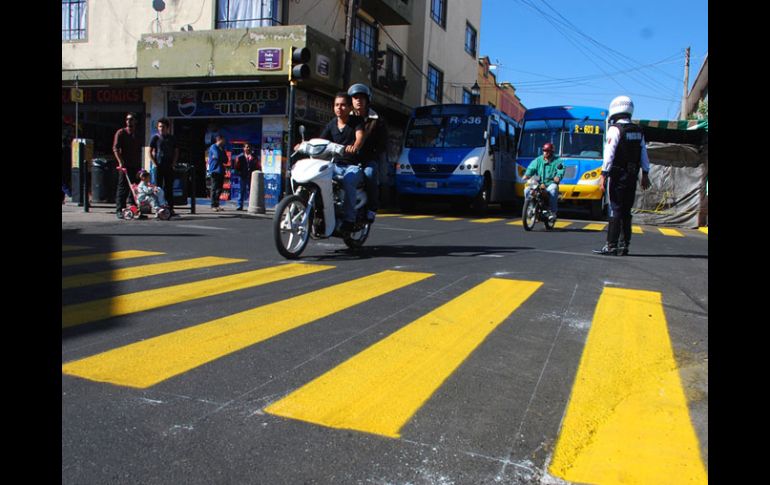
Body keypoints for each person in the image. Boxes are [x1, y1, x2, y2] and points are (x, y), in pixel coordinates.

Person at [593, 95, 651, 256]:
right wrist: (645, 174)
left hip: (617, 175)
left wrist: (603, 175)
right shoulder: (638, 131)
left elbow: (609, 154)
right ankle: (624, 245)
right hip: (632, 176)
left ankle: (611, 245)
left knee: (615, 209)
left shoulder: (615, 129)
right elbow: (644, 155)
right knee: (626, 211)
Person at [317, 92, 364, 232]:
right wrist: (304, 145)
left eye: (343, 105)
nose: (339, 108)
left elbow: (360, 137)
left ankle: (349, 220)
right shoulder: (332, 124)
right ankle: (321, 214)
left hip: (352, 166)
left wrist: (355, 146)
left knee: (349, 180)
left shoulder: (356, 122)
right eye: (337, 105)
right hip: (334, 165)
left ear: (350, 107)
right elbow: (321, 141)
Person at [348, 83, 387, 222]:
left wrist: (372, 153)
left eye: (362, 97)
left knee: (370, 173)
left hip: (368, 158)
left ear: (367, 100)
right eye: (355, 97)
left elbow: (382, 143)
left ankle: (372, 207)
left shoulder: (376, 119)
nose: (358, 100)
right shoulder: (347, 117)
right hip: (348, 158)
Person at [522, 142, 564, 222]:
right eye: (544, 150)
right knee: (527, 190)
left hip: (550, 184)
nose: (545, 152)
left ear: (551, 152)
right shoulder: (538, 160)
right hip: (539, 183)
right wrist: (527, 175)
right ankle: (530, 207)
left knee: (553, 189)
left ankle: (552, 212)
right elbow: (531, 168)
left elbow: (560, 170)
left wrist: (558, 177)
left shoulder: (558, 161)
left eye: (547, 150)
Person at [113, 112, 143, 219]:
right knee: (123, 188)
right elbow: (115, 148)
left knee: (135, 188)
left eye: (131, 119)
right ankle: (120, 209)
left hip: (136, 164)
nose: (128, 121)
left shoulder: (138, 134)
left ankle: (134, 208)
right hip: (125, 165)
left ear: (135, 121)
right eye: (127, 119)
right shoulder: (121, 133)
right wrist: (120, 161)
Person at [149, 118, 179, 217]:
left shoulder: (172, 138)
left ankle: (170, 208)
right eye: (159, 126)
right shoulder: (155, 138)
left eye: (163, 127)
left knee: (169, 188)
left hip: (169, 166)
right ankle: (158, 209)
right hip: (159, 166)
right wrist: (155, 163)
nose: (161, 128)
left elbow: (176, 151)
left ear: (167, 128)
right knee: (158, 188)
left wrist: (173, 163)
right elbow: (150, 152)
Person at [234, 142, 261, 210]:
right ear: (244, 148)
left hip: (251, 176)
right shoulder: (240, 157)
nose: (248, 148)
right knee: (241, 190)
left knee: (251, 191)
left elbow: (258, 166)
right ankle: (240, 205)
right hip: (243, 176)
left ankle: (251, 205)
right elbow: (236, 166)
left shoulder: (254, 157)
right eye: (246, 147)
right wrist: (239, 172)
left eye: (249, 147)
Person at [207, 135, 227, 211]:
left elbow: (226, 160)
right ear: (220, 139)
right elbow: (218, 156)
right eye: (223, 140)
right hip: (214, 170)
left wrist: (220, 157)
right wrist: (219, 156)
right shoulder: (213, 147)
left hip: (221, 170)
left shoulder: (222, 149)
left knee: (219, 189)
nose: (224, 142)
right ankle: (213, 205)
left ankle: (217, 204)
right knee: (214, 188)